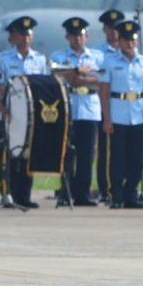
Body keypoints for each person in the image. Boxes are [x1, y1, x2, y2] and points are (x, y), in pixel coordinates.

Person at [0, 16, 50, 209]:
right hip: (11, 114)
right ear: (14, 37)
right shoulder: (4, 59)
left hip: (30, 116)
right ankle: (7, 193)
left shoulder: (39, 60)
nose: (25, 39)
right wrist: (3, 109)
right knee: (9, 156)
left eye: (28, 35)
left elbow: (43, 86)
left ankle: (24, 196)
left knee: (27, 155)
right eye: (21, 35)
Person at [99, 20, 143, 208]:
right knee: (117, 158)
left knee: (137, 158)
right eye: (126, 40)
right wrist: (107, 118)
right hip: (118, 115)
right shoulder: (110, 61)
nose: (130, 44)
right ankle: (116, 196)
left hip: (138, 114)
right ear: (120, 41)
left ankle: (131, 195)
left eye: (133, 40)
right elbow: (104, 92)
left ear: (137, 41)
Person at [53, 17, 105, 206]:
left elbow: (101, 78)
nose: (77, 39)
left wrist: (81, 78)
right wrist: (77, 71)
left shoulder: (97, 57)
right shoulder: (59, 57)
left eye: (81, 35)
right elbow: (57, 75)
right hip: (68, 109)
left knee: (87, 155)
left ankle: (83, 194)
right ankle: (66, 192)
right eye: (74, 35)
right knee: (66, 153)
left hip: (89, 110)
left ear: (86, 37)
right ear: (67, 37)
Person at [96, 9, 125, 202]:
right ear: (105, 30)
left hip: (124, 108)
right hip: (104, 105)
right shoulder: (98, 53)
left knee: (123, 151)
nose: (114, 32)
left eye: (117, 28)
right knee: (104, 151)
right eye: (110, 28)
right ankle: (105, 189)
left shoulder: (129, 51)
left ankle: (122, 188)